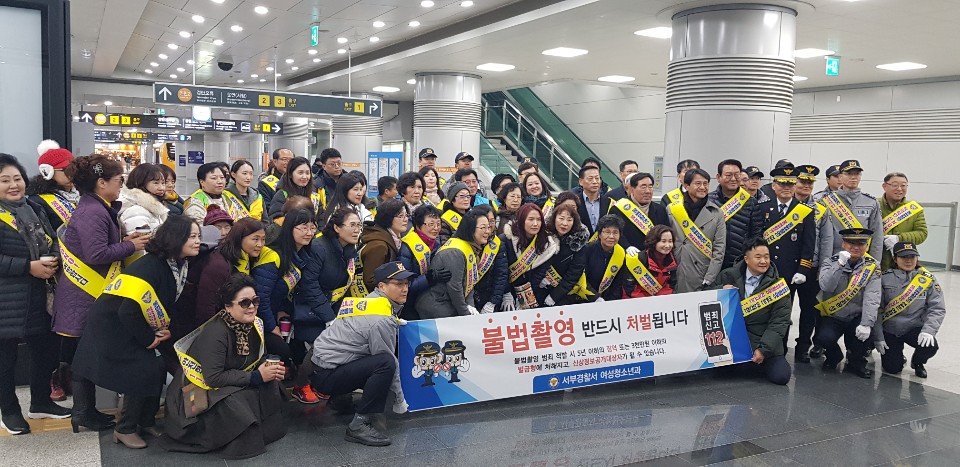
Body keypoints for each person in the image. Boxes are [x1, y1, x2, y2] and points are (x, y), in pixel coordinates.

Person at [72, 216, 200, 446]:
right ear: (175, 238)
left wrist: (162, 331)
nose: (198, 241)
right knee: (141, 369)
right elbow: (128, 311)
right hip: (112, 325)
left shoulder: (175, 264)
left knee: (157, 366)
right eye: (192, 236)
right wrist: (149, 339)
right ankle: (125, 428)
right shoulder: (150, 267)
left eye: (198, 236)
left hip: (132, 323)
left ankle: (145, 420)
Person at [51, 156, 150, 427]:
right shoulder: (93, 211)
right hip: (84, 293)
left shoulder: (96, 206)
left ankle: (85, 411)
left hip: (85, 294)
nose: (121, 185)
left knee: (87, 353)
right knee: (85, 354)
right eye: (118, 180)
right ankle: (83, 412)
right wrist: (131, 246)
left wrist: (125, 241)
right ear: (101, 183)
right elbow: (96, 254)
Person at [164, 274, 288, 459]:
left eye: (255, 301)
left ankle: (260, 430)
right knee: (235, 400)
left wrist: (269, 368)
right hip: (194, 392)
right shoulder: (216, 333)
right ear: (228, 306)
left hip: (227, 378)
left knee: (270, 382)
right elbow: (213, 378)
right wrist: (256, 376)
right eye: (245, 303)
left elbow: (255, 359)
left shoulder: (254, 324)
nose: (252, 307)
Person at [0, 154, 69, 435]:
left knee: (45, 350)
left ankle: (41, 402)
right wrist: (28, 267)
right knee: (5, 360)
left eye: (17, 178)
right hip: (7, 300)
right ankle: (9, 411)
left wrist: (52, 259)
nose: (14, 185)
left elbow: (52, 239)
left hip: (40, 293)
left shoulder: (33, 208)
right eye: (5, 180)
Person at [310, 262, 414, 447]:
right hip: (326, 375)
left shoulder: (370, 301)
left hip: (319, 365)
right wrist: (400, 401)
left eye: (407, 283)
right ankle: (358, 425)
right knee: (385, 364)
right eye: (399, 284)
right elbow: (388, 361)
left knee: (367, 354)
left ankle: (340, 401)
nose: (405, 289)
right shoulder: (381, 320)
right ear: (381, 286)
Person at [712, 237, 792, 385]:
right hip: (733, 342)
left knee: (781, 377)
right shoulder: (728, 275)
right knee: (716, 373)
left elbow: (779, 323)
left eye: (766, 257)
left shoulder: (778, 286)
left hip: (764, 342)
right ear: (746, 259)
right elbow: (706, 299)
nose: (763, 261)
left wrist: (763, 349)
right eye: (758, 257)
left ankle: (753, 362)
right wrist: (720, 290)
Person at [173, 218, 266, 345]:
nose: (260, 244)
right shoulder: (219, 265)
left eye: (263, 239)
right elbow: (205, 307)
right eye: (255, 239)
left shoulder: (245, 258)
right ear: (239, 238)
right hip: (192, 327)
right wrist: (214, 339)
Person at [757, 167, 816, 359]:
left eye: (790, 184)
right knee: (762, 312)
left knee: (783, 314)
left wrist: (803, 270)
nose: (786, 187)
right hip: (765, 272)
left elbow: (809, 245)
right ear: (774, 186)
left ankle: (779, 351)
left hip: (791, 273)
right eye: (782, 183)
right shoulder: (763, 208)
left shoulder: (804, 211)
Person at [815, 228, 881, 379]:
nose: (856, 247)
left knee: (865, 335)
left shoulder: (873, 266)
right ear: (843, 244)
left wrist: (866, 323)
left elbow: (873, 296)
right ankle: (834, 356)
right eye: (851, 243)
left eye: (861, 243)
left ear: (867, 246)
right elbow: (826, 286)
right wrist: (839, 265)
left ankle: (856, 362)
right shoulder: (830, 262)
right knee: (823, 338)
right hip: (834, 315)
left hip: (857, 316)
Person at [874, 242, 945, 378]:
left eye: (912, 257)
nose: (909, 261)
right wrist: (878, 336)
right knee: (892, 368)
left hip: (914, 327)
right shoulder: (884, 278)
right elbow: (877, 309)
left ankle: (918, 362)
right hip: (891, 329)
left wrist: (929, 331)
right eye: (904, 257)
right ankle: (897, 357)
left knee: (930, 346)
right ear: (895, 259)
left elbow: (937, 308)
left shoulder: (927, 279)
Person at [294, 208, 361, 346]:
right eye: (352, 225)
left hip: (333, 310)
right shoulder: (318, 247)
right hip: (310, 313)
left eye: (359, 225)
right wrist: (329, 318)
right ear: (337, 227)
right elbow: (310, 285)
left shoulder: (350, 250)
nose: (357, 230)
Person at [416, 209, 492, 318]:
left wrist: (471, 307)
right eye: (483, 228)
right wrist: (466, 314)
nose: (487, 231)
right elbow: (455, 287)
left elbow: (470, 283)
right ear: (470, 229)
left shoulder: (469, 247)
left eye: (488, 227)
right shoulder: (455, 251)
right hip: (438, 307)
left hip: (450, 305)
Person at [667, 168, 726, 293]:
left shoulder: (717, 213)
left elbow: (719, 249)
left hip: (701, 271)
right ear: (686, 185)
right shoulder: (672, 209)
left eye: (706, 183)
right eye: (698, 183)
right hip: (675, 268)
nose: (703, 187)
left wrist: (710, 276)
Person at [817, 160, 883, 266]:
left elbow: (877, 237)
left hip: (861, 262)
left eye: (857, 174)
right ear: (840, 176)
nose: (853, 177)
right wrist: (824, 265)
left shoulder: (871, 202)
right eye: (848, 174)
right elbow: (822, 236)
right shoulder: (826, 201)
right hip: (834, 260)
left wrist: (874, 265)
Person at [792, 164, 826, 361]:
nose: (806, 185)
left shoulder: (821, 209)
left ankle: (803, 347)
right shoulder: (784, 205)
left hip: (811, 267)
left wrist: (824, 266)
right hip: (787, 266)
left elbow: (826, 240)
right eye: (802, 181)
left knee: (809, 311)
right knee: (782, 310)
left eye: (810, 182)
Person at [398, 205, 451, 320]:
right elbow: (404, 284)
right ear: (418, 225)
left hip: (431, 299)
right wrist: (429, 278)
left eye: (438, 224)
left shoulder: (437, 243)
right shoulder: (407, 247)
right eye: (431, 224)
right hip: (410, 304)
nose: (436, 228)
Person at [709, 159, 762, 270]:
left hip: (739, 263)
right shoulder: (708, 201)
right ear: (718, 177)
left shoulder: (750, 202)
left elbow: (756, 234)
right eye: (728, 175)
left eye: (737, 175)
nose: (733, 179)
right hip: (711, 261)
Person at [503, 203, 559, 309]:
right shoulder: (507, 239)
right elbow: (502, 270)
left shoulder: (547, 244)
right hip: (506, 292)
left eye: (539, 220)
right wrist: (507, 293)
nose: (535, 224)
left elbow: (539, 274)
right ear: (521, 220)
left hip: (531, 292)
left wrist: (524, 298)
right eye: (531, 219)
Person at [538, 204, 589, 306]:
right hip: (538, 286)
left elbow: (574, 273)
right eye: (561, 218)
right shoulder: (543, 235)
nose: (565, 223)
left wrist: (555, 295)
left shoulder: (578, 243)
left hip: (563, 294)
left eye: (569, 220)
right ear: (554, 218)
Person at [358, 200, 408, 295]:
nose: (405, 219)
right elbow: (370, 280)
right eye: (401, 216)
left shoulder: (395, 238)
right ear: (387, 218)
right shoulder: (379, 246)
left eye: (406, 215)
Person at [879, 172, 927, 271]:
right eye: (895, 185)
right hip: (878, 260)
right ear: (884, 186)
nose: (899, 189)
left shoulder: (913, 209)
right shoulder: (874, 205)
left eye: (903, 185)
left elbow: (922, 233)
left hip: (904, 261)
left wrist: (899, 238)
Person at [610, 172, 670, 251]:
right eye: (643, 187)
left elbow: (666, 233)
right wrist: (627, 247)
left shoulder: (660, 210)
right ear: (632, 189)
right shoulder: (618, 209)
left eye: (650, 187)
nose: (648, 191)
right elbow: (613, 233)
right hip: (627, 255)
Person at [27, 143, 78, 232]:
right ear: (48, 172)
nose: (71, 174)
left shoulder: (82, 192)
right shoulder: (37, 201)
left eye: (74, 169)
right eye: (65, 170)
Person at [470, 204, 512, 313]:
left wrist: (493, 301)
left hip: (488, 297)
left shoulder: (497, 244)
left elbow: (501, 274)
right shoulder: (466, 241)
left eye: (492, 221)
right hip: (468, 298)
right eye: (485, 221)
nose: (489, 225)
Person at [578, 215, 626, 302]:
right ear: (599, 234)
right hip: (584, 297)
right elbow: (581, 279)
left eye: (615, 233)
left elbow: (618, 284)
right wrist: (595, 298)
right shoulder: (587, 250)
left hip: (608, 301)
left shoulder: (621, 253)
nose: (611, 236)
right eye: (607, 232)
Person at [623, 224, 678, 298]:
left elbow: (671, 285)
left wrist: (659, 299)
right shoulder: (637, 260)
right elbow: (630, 288)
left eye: (670, 241)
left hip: (662, 300)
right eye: (663, 241)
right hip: (636, 301)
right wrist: (649, 301)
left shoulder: (672, 260)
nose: (667, 245)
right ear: (654, 242)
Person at [118, 163, 169, 235]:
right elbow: (141, 240)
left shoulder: (152, 208)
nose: (162, 188)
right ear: (140, 182)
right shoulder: (136, 211)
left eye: (163, 183)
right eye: (156, 183)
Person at [575, 165, 611, 235]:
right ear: (581, 182)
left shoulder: (608, 202)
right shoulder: (575, 202)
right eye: (590, 179)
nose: (595, 182)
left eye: (597, 178)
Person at [437, 181, 471, 246]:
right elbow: (444, 243)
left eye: (468, 196)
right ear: (452, 199)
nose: (466, 199)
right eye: (462, 196)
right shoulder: (445, 220)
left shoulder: (472, 215)